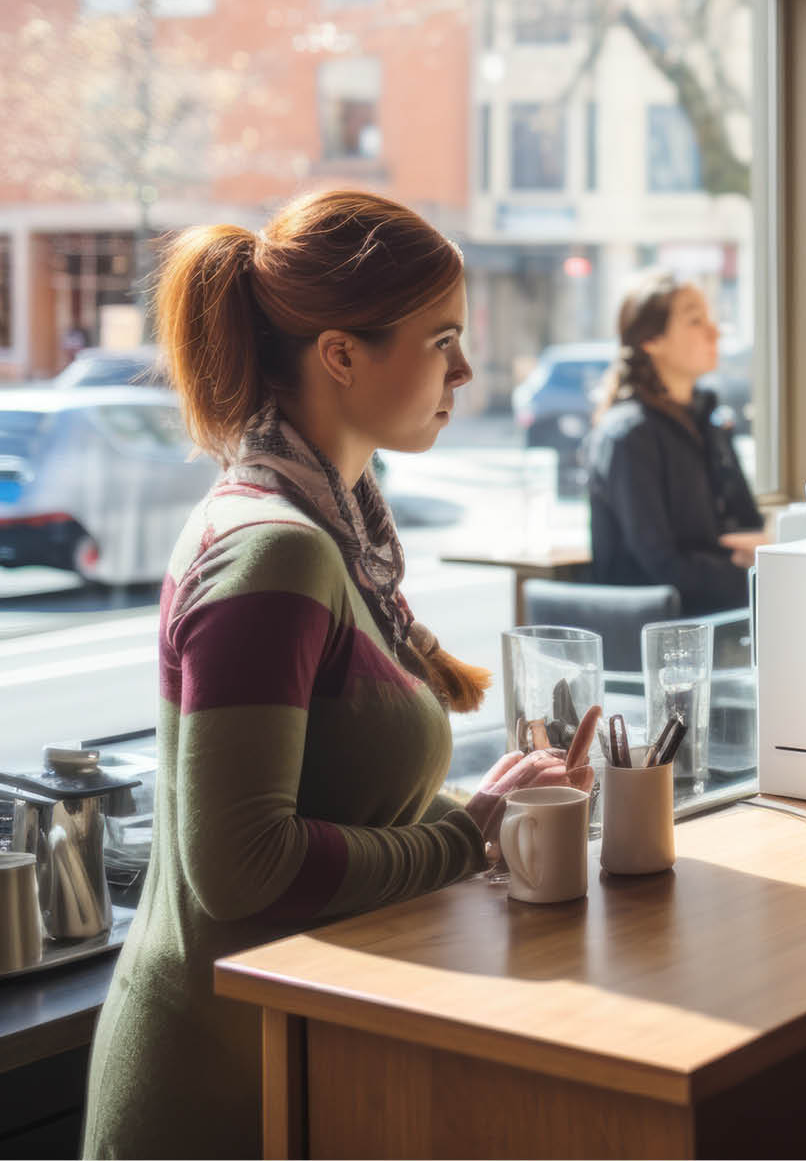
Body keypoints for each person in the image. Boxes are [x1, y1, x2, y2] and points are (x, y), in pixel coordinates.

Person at [83, 189, 595, 1160]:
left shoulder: (336, 527)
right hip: (221, 1089)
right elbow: (242, 866)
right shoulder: (275, 550)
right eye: (442, 339)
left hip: (295, 1057)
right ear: (341, 354)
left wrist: (492, 800)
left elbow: (337, 786)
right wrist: (470, 830)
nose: (467, 368)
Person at [586, 273, 764, 615]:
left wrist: (756, 560)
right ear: (651, 339)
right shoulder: (628, 435)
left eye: (710, 319)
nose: (714, 331)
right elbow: (661, 567)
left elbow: (748, 526)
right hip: (658, 636)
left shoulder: (710, 419)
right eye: (696, 320)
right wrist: (753, 570)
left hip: (725, 617)